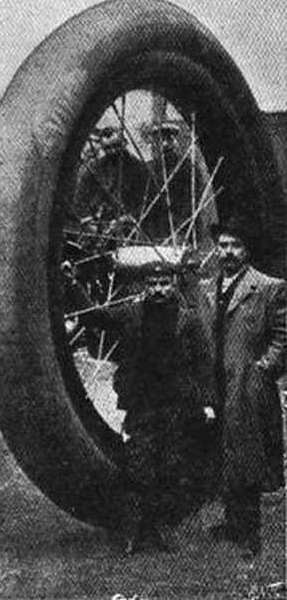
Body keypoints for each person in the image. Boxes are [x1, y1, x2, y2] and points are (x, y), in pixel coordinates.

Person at [74, 261, 217, 554]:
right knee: (139, 465)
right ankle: (137, 531)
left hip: (178, 405)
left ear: (173, 283)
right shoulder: (131, 315)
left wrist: (208, 403)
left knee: (172, 465)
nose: (159, 290)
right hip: (142, 405)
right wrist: (72, 286)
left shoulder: (188, 320)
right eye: (152, 285)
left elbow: (204, 363)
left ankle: (165, 528)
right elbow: (95, 317)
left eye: (164, 283)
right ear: (144, 287)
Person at [197, 217, 286, 558]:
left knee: (247, 456)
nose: (228, 252)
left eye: (235, 246)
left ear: (246, 250)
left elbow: (283, 336)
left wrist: (263, 369)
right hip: (216, 384)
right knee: (223, 452)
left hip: (248, 386)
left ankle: (250, 535)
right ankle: (231, 524)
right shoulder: (208, 288)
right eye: (222, 246)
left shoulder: (268, 287)